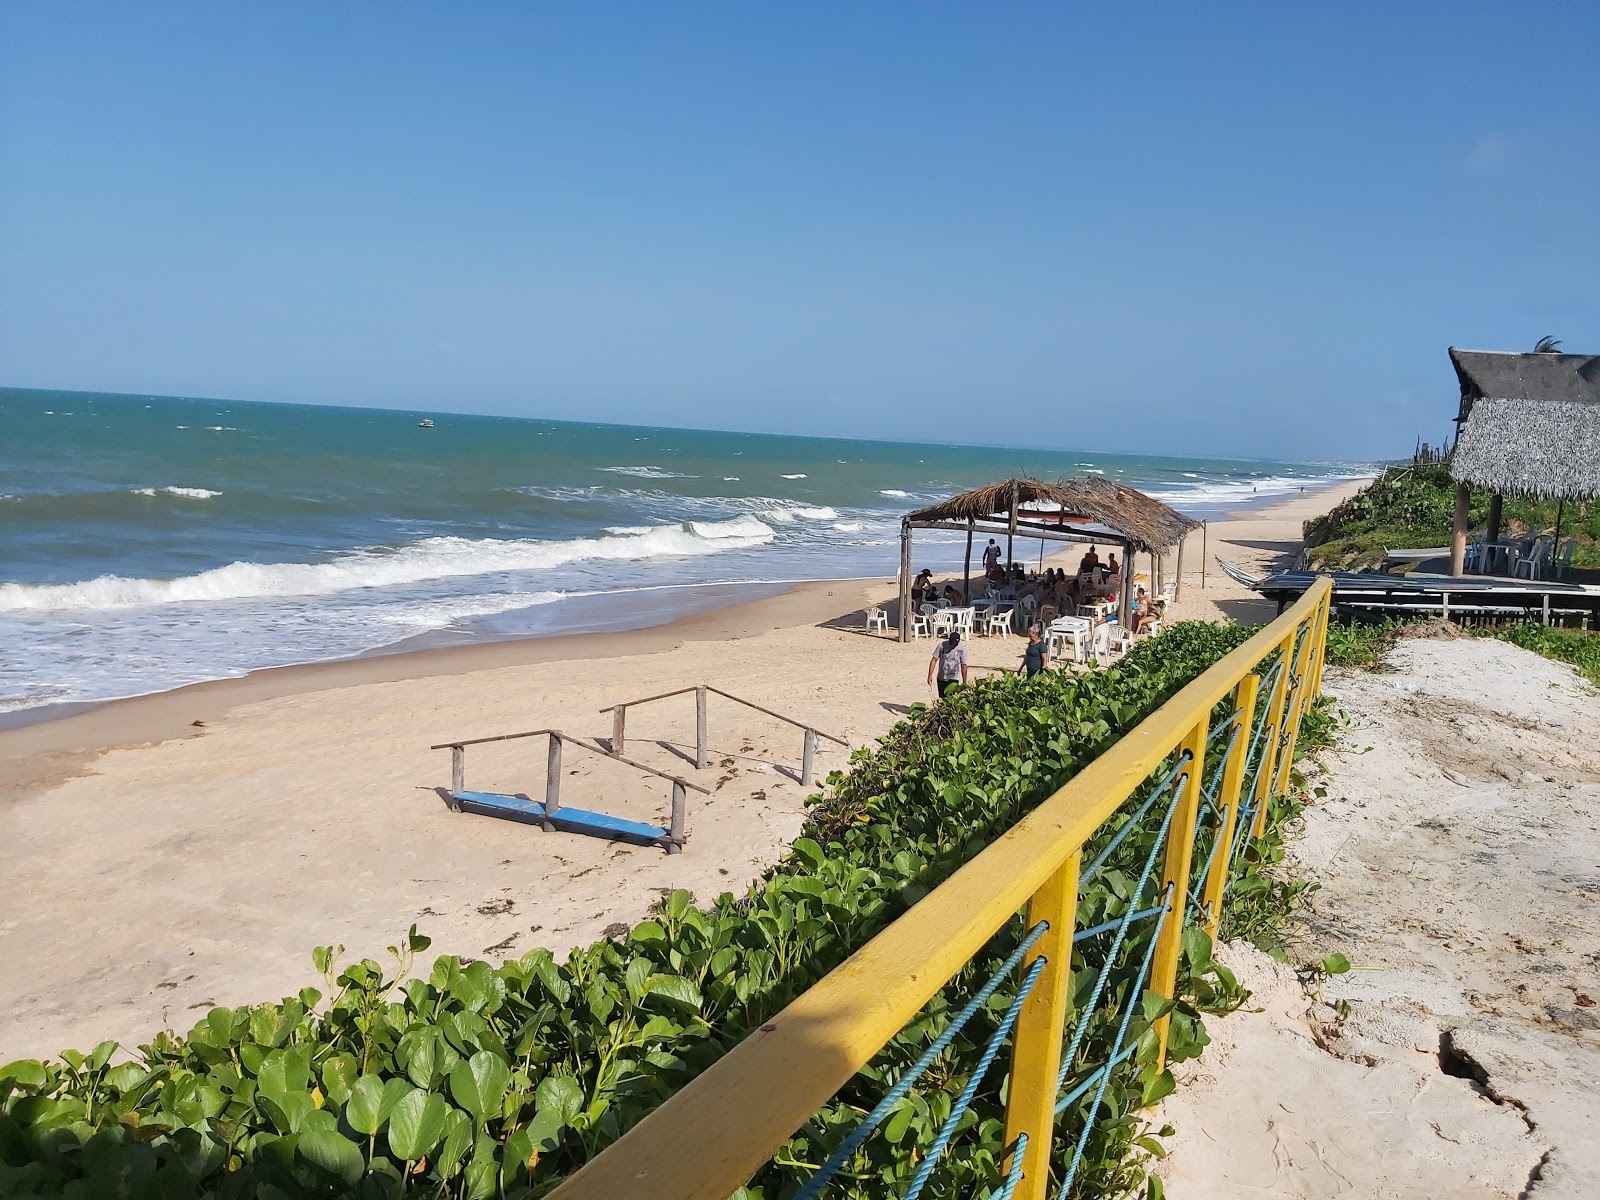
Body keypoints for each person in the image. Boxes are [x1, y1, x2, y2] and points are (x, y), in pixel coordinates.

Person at [928, 630, 968, 696]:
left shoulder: (962, 650)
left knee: (952, 698)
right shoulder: (941, 646)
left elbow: (964, 666)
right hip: (941, 677)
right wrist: (930, 675)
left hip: (954, 678)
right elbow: (934, 660)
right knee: (942, 697)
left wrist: (964, 682)